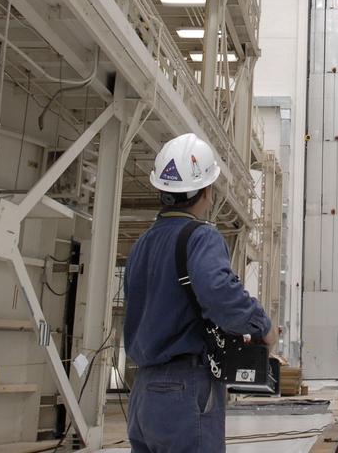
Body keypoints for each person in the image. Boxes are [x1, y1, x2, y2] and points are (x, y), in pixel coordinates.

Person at [124, 133, 275, 453]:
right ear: (206, 191)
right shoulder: (200, 237)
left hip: (142, 393)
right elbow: (219, 290)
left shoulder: (141, 245)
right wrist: (262, 325)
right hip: (184, 389)